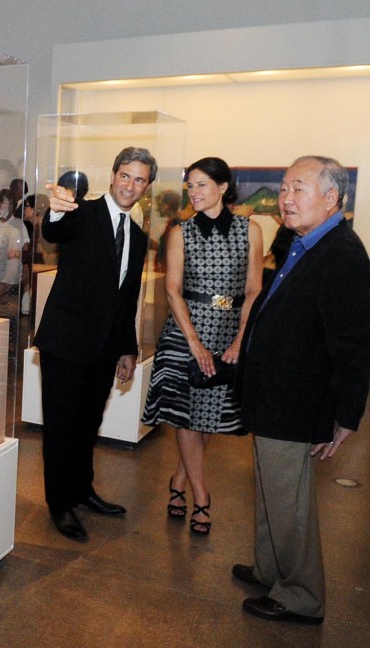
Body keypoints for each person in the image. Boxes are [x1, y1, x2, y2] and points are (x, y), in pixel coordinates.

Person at [233, 155, 370, 625]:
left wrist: (348, 416)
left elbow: (352, 346)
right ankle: (271, 568)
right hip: (273, 393)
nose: (285, 199)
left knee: (289, 501)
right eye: (284, 188)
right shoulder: (301, 242)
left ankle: (301, 595)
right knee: (271, 490)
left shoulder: (344, 256)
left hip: (296, 400)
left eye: (298, 189)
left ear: (331, 199)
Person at [34, 147, 153, 542]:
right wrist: (55, 208)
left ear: (147, 186)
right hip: (65, 343)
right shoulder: (80, 213)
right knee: (61, 426)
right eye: (125, 175)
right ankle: (60, 503)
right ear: (113, 175)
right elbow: (55, 232)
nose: (130, 185)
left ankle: (82, 491)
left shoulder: (137, 236)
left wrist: (128, 348)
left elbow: (127, 298)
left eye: (139, 179)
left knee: (88, 425)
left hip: (105, 347)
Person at [141, 157, 263, 535]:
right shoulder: (181, 232)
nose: (193, 193)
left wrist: (241, 339)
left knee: (210, 413)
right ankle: (201, 496)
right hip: (185, 330)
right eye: (189, 186)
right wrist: (194, 343)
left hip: (229, 331)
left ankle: (178, 480)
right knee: (189, 414)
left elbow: (254, 289)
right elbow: (172, 290)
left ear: (223, 187)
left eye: (201, 185)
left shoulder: (251, 230)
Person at [0, 189, 28, 349]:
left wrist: (18, 253)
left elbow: (26, 246)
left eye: (9, 203)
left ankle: (10, 345)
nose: (5, 206)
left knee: (9, 312)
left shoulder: (18, 223)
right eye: (2, 202)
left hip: (11, 275)